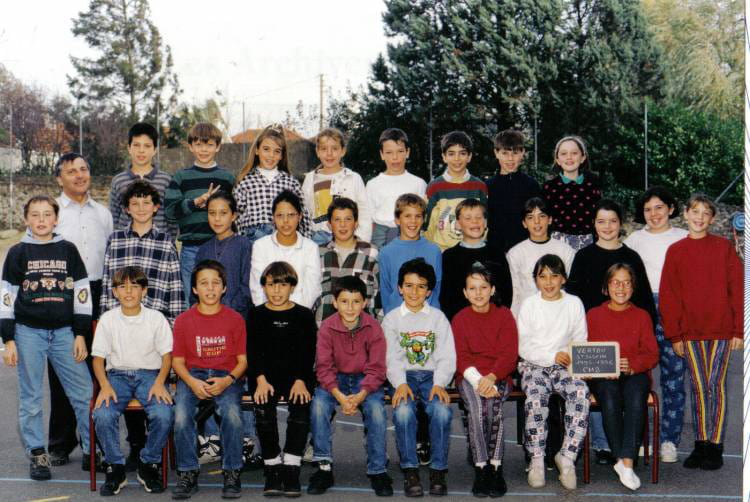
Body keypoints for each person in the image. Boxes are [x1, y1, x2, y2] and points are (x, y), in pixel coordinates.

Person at [0, 195, 94, 481]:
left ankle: (92, 450)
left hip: (65, 333)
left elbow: (82, 293)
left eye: (47, 214)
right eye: (35, 215)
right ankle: (38, 454)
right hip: (28, 332)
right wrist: (8, 339)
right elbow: (6, 298)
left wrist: (80, 334)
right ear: (26, 219)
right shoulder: (17, 252)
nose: (41, 220)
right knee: (31, 397)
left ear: (56, 219)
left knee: (84, 393)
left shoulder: (68, 250)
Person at [566, 199, 658, 465]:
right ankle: (604, 445)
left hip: (628, 343)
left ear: (621, 223)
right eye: (601, 221)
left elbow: (645, 306)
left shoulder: (632, 258)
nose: (607, 227)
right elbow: (572, 303)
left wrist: (638, 353)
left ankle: (624, 452)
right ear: (594, 225)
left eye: (613, 221)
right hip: (594, 340)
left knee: (632, 391)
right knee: (605, 391)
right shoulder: (583, 257)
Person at [659, 194, 743, 471]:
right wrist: (675, 334)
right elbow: (669, 295)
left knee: (715, 385)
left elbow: (738, 289)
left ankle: (715, 445)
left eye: (706, 213)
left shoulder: (724, 248)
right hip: (690, 332)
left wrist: (739, 330)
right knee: (697, 385)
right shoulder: (676, 250)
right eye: (695, 211)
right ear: (685, 214)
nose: (700, 217)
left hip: (720, 330)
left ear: (713, 219)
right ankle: (701, 442)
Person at [48, 152, 113, 468]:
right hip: (63, 295)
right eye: (71, 171)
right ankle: (61, 442)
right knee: (62, 369)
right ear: (59, 178)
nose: (79, 175)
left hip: (98, 292)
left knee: (96, 368)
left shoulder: (103, 214)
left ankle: (95, 442)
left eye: (84, 169)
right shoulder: (53, 213)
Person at [90, 266, 173, 496]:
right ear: (114, 292)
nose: (128, 292)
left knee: (164, 413)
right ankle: (115, 467)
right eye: (122, 287)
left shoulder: (156, 318)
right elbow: (98, 360)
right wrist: (104, 385)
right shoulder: (108, 319)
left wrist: (160, 382)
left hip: (150, 375)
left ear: (144, 291)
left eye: (134, 286)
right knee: (102, 414)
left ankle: (148, 463)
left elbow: (167, 357)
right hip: (117, 376)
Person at [307, 276, 392, 496]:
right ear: (335, 303)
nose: (350, 307)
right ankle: (323, 468)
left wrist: (361, 395)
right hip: (335, 379)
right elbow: (323, 368)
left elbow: (377, 368)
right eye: (344, 301)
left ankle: (378, 470)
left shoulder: (373, 327)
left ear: (365, 302)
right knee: (319, 406)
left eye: (356, 302)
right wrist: (340, 396)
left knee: (376, 411)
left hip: (366, 381)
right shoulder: (327, 327)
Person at [194, 191, 260, 469]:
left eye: (223, 213)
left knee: (237, 382)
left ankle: (247, 441)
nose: (217, 218)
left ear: (234, 216)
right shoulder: (203, 250)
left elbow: (247, 286)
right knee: (209, 377)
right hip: (207, 328)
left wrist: (229, 315)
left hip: (236, 324)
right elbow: (197, 289)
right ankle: (212, 439)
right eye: (212, 213)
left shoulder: (245, 245)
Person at [171, 260, 248, 499]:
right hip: (193, 375)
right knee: (181, 415)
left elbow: (243, 361)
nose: (210, 288)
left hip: (226, 376)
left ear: (224, 287)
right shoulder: (183, 320)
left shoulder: (235, 319)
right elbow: (177, 362)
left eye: (216, 283)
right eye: (204, 283)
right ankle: (187, 472)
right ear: (194, 289)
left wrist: (228, 380)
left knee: (232, 414)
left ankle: (232, 471)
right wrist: (192, 383)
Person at [623, 186, 688, 463]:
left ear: (671, 209)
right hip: (642, 308)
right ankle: (640, 438)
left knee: (674, 377)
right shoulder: (634, 240)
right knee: (638, 376)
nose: (654, 214)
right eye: (648, 209)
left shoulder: (683, 237)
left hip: (675, 309)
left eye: (659, 207)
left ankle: (669, 441)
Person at [382, 258, 456, 497]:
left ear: (429, 291)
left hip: (432, 376)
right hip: (403, 376)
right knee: (403, 412)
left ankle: (438, 469)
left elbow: (446, 355)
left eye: (421, 286)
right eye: (409, 285)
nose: (414, 292)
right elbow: (391, 357)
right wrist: (400, 383)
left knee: (441, 411)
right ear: (400, 288)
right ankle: (410, 469)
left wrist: (440, 383)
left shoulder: (438, 318)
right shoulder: (391, 319)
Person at [516, 254, 589, 490]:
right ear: (536, 280)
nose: (548, 282)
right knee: (536, 397)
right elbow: (523, 346)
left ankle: (567, 457)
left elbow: (580, 339)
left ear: (563, 279)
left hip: (565, 365)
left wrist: (566, 355)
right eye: (543, 276)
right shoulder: (529, 304)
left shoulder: (574, 303)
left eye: (554, 276)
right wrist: (550, 356)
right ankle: (536, 460)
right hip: (533, 365)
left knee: (581, 392)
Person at [247, 262, 317, 497]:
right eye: (271, 285)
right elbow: (252, 351)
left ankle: (291, 466)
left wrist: (301, 379)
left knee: (301, 406)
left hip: (297, 376)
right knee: (263, 410)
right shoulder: (256, 314)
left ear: (292, 287)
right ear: (264, 287)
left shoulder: (304, 315)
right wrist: (260, 379)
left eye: (282, 285)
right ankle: (272, 466)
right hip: (264, 377)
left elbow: (308, 352)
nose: (276, 291)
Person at [586, 263, 658, 491]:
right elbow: (586, 352)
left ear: (633, 287)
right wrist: (602, 368)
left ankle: (626, 462)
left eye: (626, 283)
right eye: (616, 282)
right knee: (609, 395)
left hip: (634, 374)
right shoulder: (594, 315)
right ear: (606, 287)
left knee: (636, 395)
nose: (621, 288)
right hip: (604, 376)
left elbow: (652, 353)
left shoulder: (642, 316)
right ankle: (620, 457)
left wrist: (633, 365)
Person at [451, 264, 518, 497]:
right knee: (478, 409)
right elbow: (461, 357)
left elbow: (509, 354)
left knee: (494, 408)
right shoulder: (460, 319)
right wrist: (479, 381)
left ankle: (496, 466)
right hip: (470, 377)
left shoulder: (504, 315)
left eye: (483, 287)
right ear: (465, 292)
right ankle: (481, 467)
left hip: (499, 375)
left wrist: (491, 378)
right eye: (472, 288)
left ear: (492, 290)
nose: (478, 293)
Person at [164, 122, 235, 304]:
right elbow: (170, 212)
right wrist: (195, 202)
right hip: (191, 249)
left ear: (218, 147)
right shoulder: (181, 177)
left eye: (209, 144)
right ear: (190, 146)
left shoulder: (227, 179)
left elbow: (234, 214)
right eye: (198, 144)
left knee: (222, 298)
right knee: (192, 300)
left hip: (221, 247)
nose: (204, 150)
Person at [101, 180, 186, 326]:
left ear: (155, 207)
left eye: (146, 203)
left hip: (154, 322)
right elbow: (107, 282)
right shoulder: (115, 240)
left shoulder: (166, 242)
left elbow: (175, 287)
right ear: (127, 209)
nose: (141, 208)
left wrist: (174, 324)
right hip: (120, 321)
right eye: (135, 204)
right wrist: (104, 318)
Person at [233, 123, 312, 244]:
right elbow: (236, 216)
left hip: (283, 238)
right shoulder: (245, 182)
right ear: (257, 150)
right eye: (266, 149)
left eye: (277, 151)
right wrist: (241, 244)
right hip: (253, 240)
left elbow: (303, 213)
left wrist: (305, 242)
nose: (271, 155)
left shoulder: (291, 183)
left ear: (281, 156)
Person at [439, 198, 511, 321]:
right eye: (468, 218)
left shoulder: (497, 254)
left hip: (493, 321)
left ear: (485, 222)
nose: (475, 221)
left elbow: (506, 291)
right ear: (457, 224)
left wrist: (496, 318)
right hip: (462, 323)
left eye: (479, 217)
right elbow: (447, 296)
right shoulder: (449, 256)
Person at [249, 190, 322, 309]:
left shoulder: (311, 248)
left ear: (300, 216)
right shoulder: (260, 246)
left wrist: (295, 313)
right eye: (280, 215)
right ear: (273, 218)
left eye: (291, 215)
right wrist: (267, 311)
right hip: (267, 313)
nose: (286, 221)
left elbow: (313, 288)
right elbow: (257, 287)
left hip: (300, 313)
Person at [313, 197, 380, 325]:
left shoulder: (371, 253)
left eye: (348, 219)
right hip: (325, 329)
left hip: (362, 330)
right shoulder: (318, 253)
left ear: (356, 223)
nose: (342, 225)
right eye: (337, 219)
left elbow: (379, 295)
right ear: (329, 225)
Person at [506, 197, 574, 317]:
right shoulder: (515, 253)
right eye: (530, 217)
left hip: (559, 314)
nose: (536, 222)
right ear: (524, 223)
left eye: (542, 216)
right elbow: (514, 293)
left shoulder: (566, 251)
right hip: (528, 316)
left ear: (550, 219)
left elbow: (570, 290)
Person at [302, 127, 371, 244]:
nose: (329, 153)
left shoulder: (353, 178)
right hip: (318, 238)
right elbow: (304, 211)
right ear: (317, 152)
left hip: (348, 236)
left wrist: (362, 239)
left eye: (334, 148)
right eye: (324, 149)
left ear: (343, 151)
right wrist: (306, 241)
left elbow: (364, 211)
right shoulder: (310, 179)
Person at [109, 122, 178, 240]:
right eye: (136, 145)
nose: (141, 150)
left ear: (155, 150)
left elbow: (172, 219)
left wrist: (167, 241)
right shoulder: (118, 180)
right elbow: (114, 217)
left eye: (147, 146)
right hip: (127, 245)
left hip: (158, 245)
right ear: (129, 148)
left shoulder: (166, 180)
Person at [424, 131, 488, 251]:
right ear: (444, 157)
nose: (457, 159)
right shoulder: (434, 187)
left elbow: (485, 221)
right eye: (451, 153)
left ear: (469, 156)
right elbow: (428, 225)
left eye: (462, 153)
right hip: (442, 251)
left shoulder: (479, 186)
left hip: (472, 250)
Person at [379, 193, 442, 314]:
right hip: (398, 318)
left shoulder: (434, 251)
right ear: (397, 220)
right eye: (407, 216)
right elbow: (386, 291)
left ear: (424, 219)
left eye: (418, 216)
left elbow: (436, 289)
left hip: (427, 318)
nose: (413, 221)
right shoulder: (386, 252)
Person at [365, 128, 427, 249]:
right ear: (382, 154)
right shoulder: (372, 184)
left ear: (407, 152)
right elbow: (367, 218)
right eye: (389, 152)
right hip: (380, 236)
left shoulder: (419, 183)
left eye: (400, 151)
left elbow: (423, 216)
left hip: (410, 233)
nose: (395, 157)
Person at [486, 129, 542, 256]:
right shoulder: (488, 186)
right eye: (505, 153)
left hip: (526, 250)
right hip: (495, 251)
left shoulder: (531, 185)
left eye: (515, 153)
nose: (510, 159)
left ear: (523, 153)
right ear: (496, 153)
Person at [542, 135, 601, 251]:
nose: (569, 157)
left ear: (583, 158)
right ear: (557, 160)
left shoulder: (592, 186)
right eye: (564, 154)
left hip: (588, 243)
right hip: (557, 244)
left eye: (574, 153)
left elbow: (599, 218)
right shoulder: (549, 187)